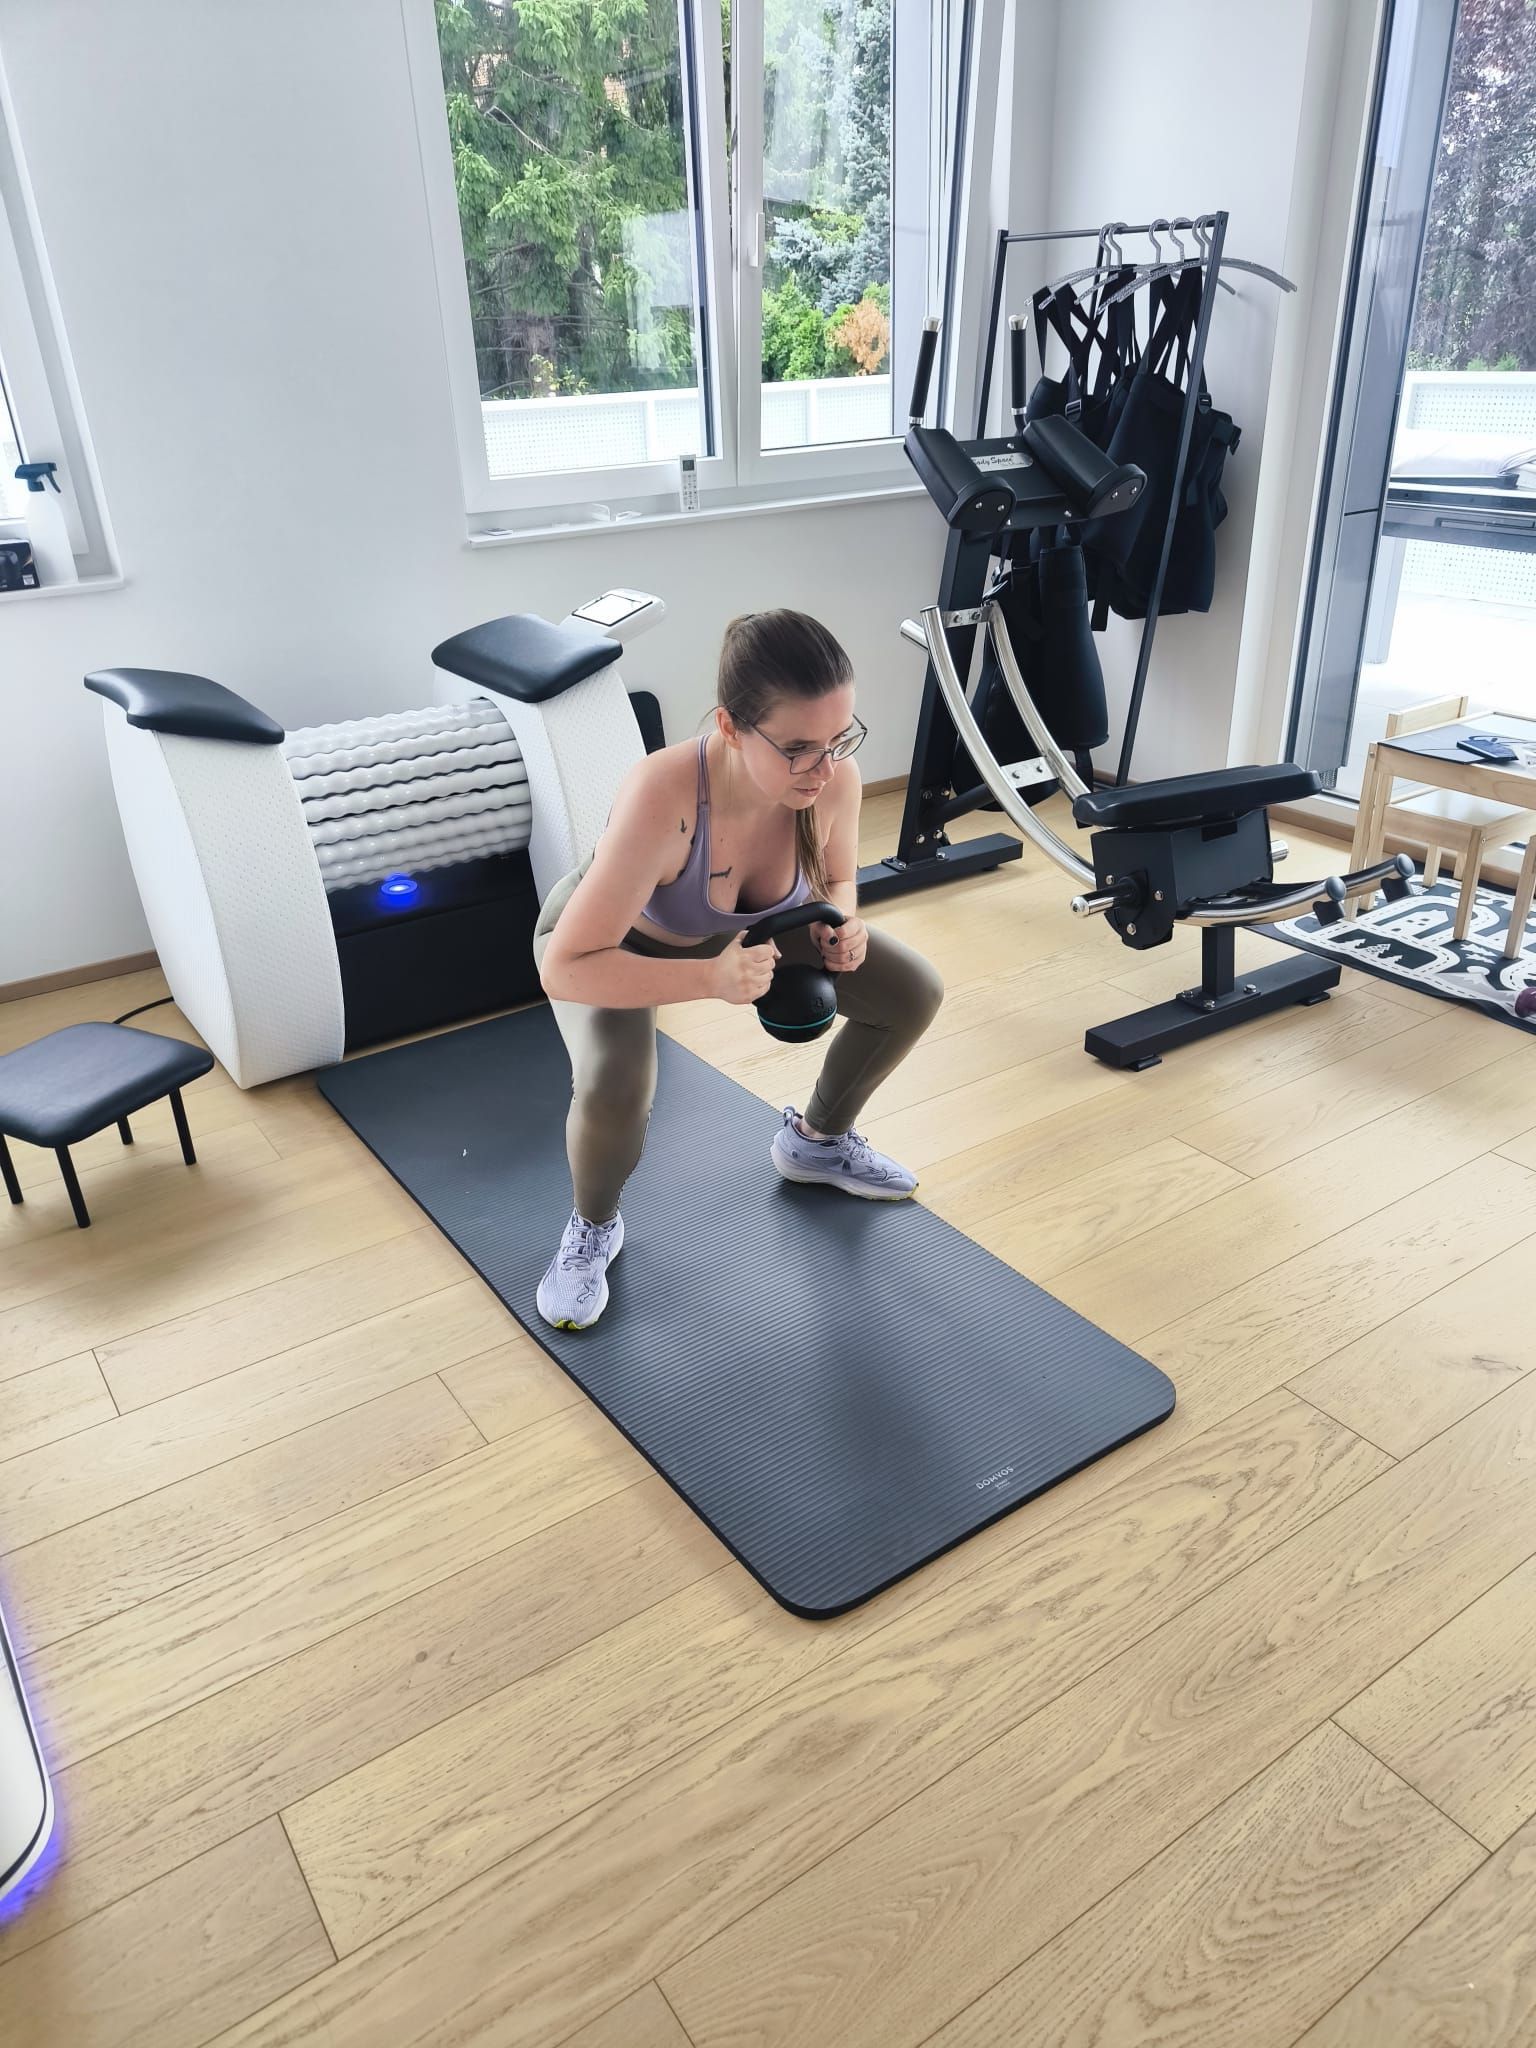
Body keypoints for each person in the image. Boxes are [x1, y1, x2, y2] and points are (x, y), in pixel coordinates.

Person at [532, 608, 945, 1331]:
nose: (825, 767)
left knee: (913, 993)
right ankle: (592, 1227)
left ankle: (817, 1143)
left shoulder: (831, 780)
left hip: (749, 934)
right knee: (615, 1085)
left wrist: (843, 925)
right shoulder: (663, 795)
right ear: (729, 727)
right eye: (798, 748)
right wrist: (708, 981)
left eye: (838, 739)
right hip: (615, 946)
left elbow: (838, 880)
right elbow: (566, 967)